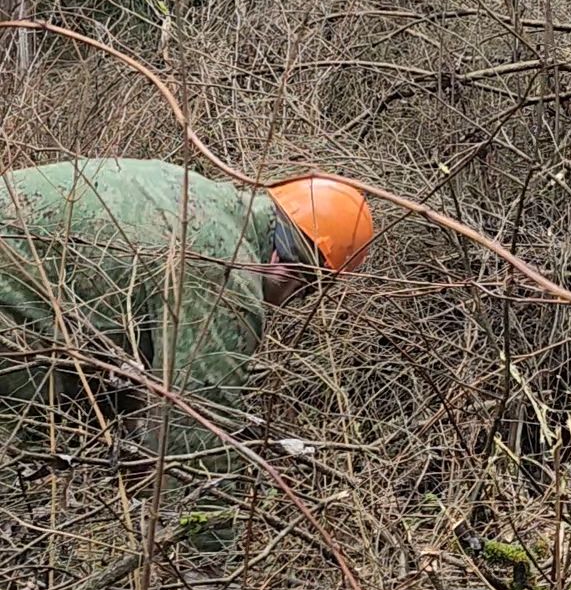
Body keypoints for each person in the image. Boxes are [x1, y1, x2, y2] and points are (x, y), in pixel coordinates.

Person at [0, 158, 374, 457]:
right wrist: (214, 547)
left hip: (21, 269)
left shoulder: (195, 194)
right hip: (11, 301)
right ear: (298, 269)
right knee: (31, 442)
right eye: (305, 292)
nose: (291, 304)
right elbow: (196, 433)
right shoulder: (229, 273)